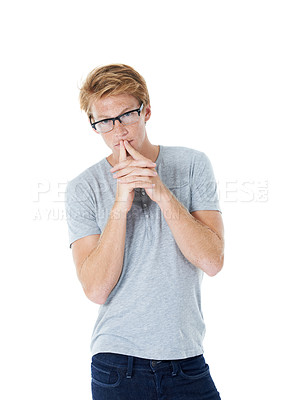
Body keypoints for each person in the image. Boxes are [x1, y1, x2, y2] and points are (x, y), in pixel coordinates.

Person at [65, 63, 224, 400]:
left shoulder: (193, 165)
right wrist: (121, 203)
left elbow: (212, 261)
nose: (118, 131)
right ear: (94, 125)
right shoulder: (83, 188)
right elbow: (95, 289)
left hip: (187, 359)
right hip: (117, 365)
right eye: (105, 122)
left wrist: (160, 191)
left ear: (146, 111)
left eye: (126, 115)